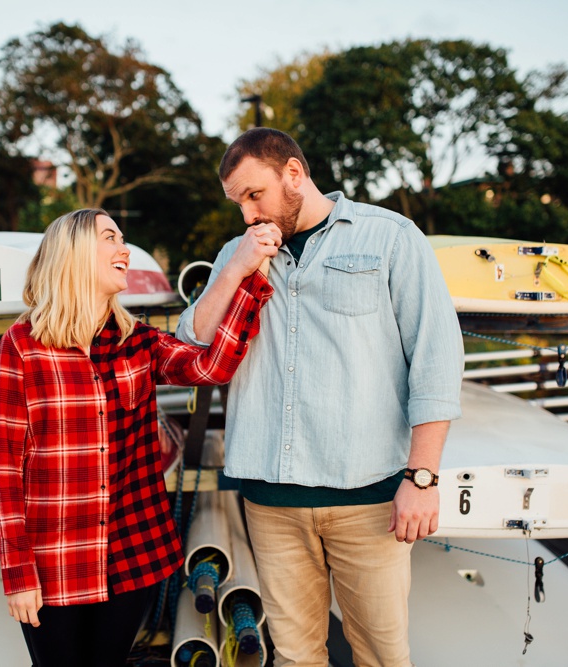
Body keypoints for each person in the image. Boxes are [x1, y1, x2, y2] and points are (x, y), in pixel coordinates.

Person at [176, 128, 464, 667]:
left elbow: (437, 361)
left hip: (369, 499)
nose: (246, 214)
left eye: (253, 195)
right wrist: (237, 268)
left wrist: (421, 479)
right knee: (294, 657)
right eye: (237, 202)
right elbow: (191, 343)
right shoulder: (237, 254)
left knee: (382, 656)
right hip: (271, 502)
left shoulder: (391, 238)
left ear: (293, 173)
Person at [0, 208, 273, 667]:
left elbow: (211, 366)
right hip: (55, 562)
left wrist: (245, 271)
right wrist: (18, 572)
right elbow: (5, 470)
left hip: (132, 556)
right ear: (74, 254)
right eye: (110, 238)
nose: (123, 248)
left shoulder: (136, 341)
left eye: (123, 238)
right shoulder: (21, 345)